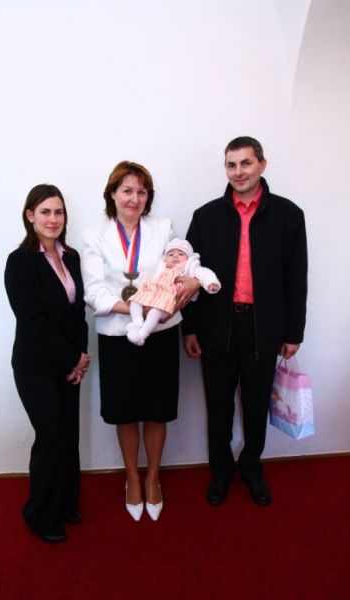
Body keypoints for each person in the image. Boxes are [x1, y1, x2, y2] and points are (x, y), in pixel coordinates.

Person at [182, 137, 308, 506]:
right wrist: (190, 327)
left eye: (246, 163)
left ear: (262, 165)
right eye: (231, 164)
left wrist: (294, 332)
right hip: (216, 326)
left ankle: (252, 468)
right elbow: (187, 275)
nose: (238, 172)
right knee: (218, 405)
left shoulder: (289, 215)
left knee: (255, 404)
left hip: (264, 327)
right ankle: (220, 472)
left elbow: (296, 278)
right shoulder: (205, 216)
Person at [82, 161, 198, 521]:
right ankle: (132, 477)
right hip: (117, 334)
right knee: (125, 410)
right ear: (112, 194)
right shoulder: (94, 235)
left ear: (149, 197)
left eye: (142, 192)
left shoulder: (163, 228)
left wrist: (189, 284)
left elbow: (180, 268)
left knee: (158, 409)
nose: (134, 198)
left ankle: (153, 477)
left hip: (160, 331)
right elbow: (93, 290)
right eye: (127, 190)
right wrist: (131, 305)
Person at [4, 184, 90, 543]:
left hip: (69, 365)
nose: (53, 219)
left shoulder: (71, 257)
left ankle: (66, 505)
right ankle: (40, 516)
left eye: (58, 212)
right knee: (51, 440)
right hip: (35, 367)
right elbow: (32, 324)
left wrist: (80, 359)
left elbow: (78, 313)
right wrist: (72, 357)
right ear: (30, 216)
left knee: (69, 437)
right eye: (45, 212)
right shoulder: (20, 262)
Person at [126, 238, 221, 346]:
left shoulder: (189, 268)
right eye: (171, 254)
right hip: (154, 291)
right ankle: (137, 322)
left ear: (189, 258)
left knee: (155, 311)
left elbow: (204, 272)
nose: (175, 256)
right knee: (135, 299)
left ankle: (142, 334)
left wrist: (211, 282)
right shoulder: (162, 267)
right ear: (165, 258)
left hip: (169, 297)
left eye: (181, 254)